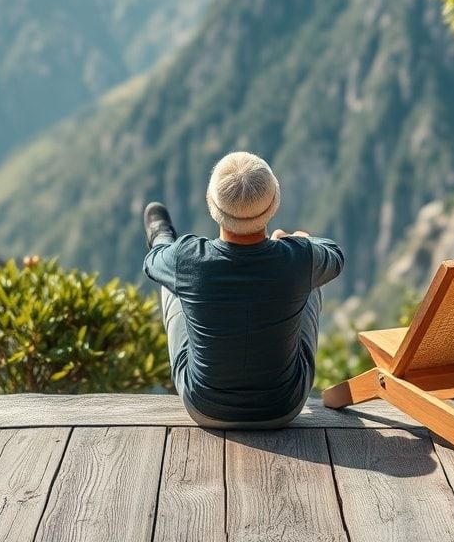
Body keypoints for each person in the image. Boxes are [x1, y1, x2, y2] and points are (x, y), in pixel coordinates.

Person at [142, 151, 344, 428]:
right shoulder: (299, 259)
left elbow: (152, 262)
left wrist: (165, 239)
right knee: (310, 279)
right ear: (274, 204)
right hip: (284, 407)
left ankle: (165, 239)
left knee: (172, 283)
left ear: (211, 203)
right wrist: (294, 241)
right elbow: (334, 255)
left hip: (203, 406)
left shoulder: (187, 258)